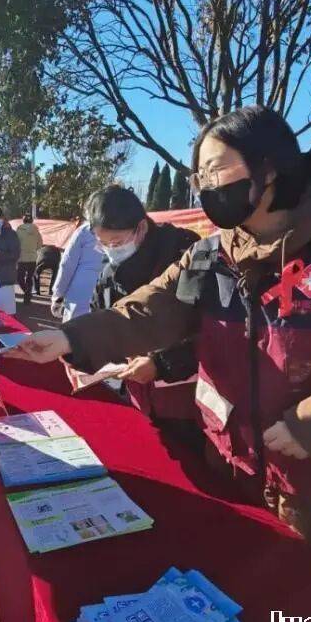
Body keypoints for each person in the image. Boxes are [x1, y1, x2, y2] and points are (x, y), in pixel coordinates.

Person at [8, 105, 311, 617]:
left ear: (269, 169)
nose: (205, 187)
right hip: (236, 477)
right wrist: (70, 338)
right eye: (199, 176)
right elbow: (150, 309)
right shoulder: (212, 255)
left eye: (216, 171)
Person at [86, 185, 202, 438]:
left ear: (141, 227)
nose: (111, 250)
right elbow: (99, 315)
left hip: (184, 401)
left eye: (117, 242)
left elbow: (212, 331)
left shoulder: (186, 253)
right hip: (136, 394)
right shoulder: (110, 269)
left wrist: (160, 364)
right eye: (103, 244)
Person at [50, 220, 104, 322]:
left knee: (74, 330)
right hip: (109, 297)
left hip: (79, 296)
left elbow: (67, 265)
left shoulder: (85, 230)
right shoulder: (128, 231)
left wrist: (58, 295)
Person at [0, 206, 20, 314]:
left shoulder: (10, 234)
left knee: (5, 311)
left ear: (2, 218)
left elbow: (15, 254)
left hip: (4, 277)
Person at [15, 214, 42, 305]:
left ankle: (26, 292)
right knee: (29, 278)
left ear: (23, 221)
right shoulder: (36, 231)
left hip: (21, 257)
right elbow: (39, 244)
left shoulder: (19, 230)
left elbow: (16, 243)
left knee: (20, 278)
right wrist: (32, 249)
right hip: (32, 258)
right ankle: (27, 297)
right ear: (32, 221)